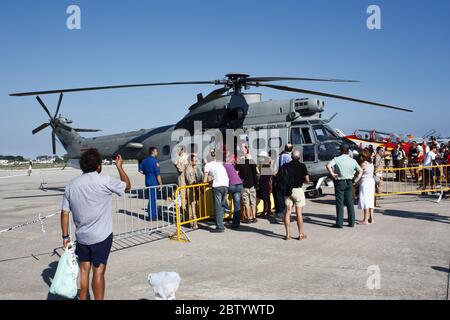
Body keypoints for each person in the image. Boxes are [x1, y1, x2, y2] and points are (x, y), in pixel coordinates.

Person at [60, 149, 131, 300]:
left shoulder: (71, 185)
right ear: (98, 166)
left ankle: (83, 297)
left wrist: (65, 236)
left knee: (84, 271)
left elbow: (64, 213)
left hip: (82, 237)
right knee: (98, 271)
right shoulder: (104, 180)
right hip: (101, 236)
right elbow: (127, 185)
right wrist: (119, 166)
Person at [326, 144, 363, 228]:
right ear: (348, 151)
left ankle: (339, 223)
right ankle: (351, 222)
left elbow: (328, 165)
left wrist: (332, 173)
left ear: (341, 150)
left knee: (340, 203)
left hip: (340, 182)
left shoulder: (336, 159)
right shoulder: (352, 161)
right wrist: (356, 180)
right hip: (350, 182)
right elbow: (360, 170)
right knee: (350, 202)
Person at [279, 149, 309, 240]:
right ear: (299, 157)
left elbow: (280, 177)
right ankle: (300, 234)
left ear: (291, 156)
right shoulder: (302, 166)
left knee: (288, 211)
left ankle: (287, 234)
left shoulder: (285, 166)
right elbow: (307, 180)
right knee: (298, 212)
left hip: (288, 190)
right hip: (298, 190)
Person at [203, 152, 229, 232]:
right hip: (226, 185)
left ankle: (220, 227)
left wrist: (206, 182)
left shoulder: (207, 165)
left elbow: (204, 180)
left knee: (218, 208)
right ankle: (225, 209)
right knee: (221, 206)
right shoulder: (219, 164)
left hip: (217, 186)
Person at [139, 147, 163, 220]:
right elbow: (158, 174)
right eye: (156, 151)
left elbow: (141, 170)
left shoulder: (144, 160)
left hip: (147, 179)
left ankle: (153, 214)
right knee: (153, 198)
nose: (157, 153)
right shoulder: (154, 161)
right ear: (153, 152)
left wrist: (147, 173)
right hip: (153, 180)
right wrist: (161, 184)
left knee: (151, 197)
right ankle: (152, 216)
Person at [235, 154, 258, 224]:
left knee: (246, 203)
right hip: (252, 186)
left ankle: (248, 218)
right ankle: (254, 217)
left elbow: (236, 172)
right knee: (253, 202)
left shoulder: (239, 164)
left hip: (244, 186)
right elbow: (257, 172)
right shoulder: (252, 163)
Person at [272, 143, 293, 221]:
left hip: (280, 180)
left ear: (284, 148)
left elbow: (274, 170)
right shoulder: (290, 158)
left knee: (280, 198)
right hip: (288, 181)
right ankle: (287, 215)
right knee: (287, 198)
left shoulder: (279, 157)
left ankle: (281, 214)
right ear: (292, 149)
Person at [222, 152, 243, 229]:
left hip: (231, 185)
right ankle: (236, 223)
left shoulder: (222, 166)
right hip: (239, 184)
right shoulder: (231, 165)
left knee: (221, 193)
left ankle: (226, 207)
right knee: (237, 205)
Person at [357, 150, 376, 225]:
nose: (360, 157)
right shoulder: (371, 163)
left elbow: (359, 174)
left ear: (364, 156)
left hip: (365, 183)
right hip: (371, 181)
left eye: (361, 156)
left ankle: (365, 220)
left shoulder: (363, 164)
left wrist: (355, 181)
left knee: (365, 200)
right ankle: (371, 218)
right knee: (371, 200)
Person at [184, 153, 203, 229]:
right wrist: (196, 184)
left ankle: (196, 221)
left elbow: (200, 176)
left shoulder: (195, 167)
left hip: (196, 189)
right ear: (191, 161)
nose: (196, 162)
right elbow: (190, 180)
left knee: (195, 206)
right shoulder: (188, 168)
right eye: (195, 160)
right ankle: (192, 223)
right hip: (191, 189)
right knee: (191, 207)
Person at [257, 151, 274, 217]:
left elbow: (269, 177)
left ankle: (268, 211)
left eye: (261, 157)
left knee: (266, 198)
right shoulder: (264, 164)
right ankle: (265, 211)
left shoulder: (266, 166)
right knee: (265, 198)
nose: (260, 158)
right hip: (264, 183)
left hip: (266, 184)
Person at [175, 146, 189, 211]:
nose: (177, 152)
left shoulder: (181, 158)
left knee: (183, 196)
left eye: (178, 150)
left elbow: (180, 169)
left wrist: (177, 164)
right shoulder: (187, 157)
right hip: (187, 179)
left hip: (183, 179)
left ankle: (184, 212)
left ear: (182, 150)